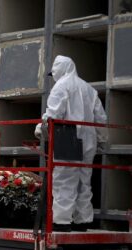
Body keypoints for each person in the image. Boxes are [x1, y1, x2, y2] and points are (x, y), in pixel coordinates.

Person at [34, 55, 108, 232]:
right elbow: (101, 118)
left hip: (67, 136)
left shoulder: (61, 87)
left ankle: (62, 221)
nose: (54, 77)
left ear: (60, 70)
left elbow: (53, 115)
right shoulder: (89, 88)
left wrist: (40, 129)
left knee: (64, 179)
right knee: (84, 180)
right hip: (88, 140)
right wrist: (102, 141)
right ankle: (83, 220)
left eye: (55, 73)